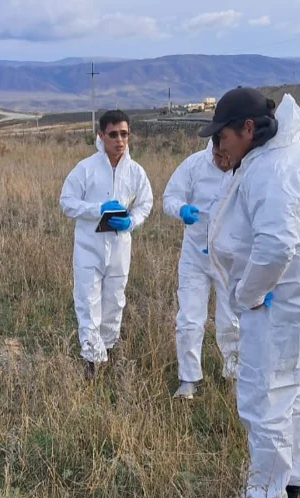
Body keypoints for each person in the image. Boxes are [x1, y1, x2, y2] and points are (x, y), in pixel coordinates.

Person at [201, 87, 300, 498]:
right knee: (288, 388)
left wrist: (248, 294)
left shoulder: (275, 169)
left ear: (247, 128)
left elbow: (276, 245)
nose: (216, 146)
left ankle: (266, 491)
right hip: (297, 296)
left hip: (280, 303)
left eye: (220, 137)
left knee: (264, 401)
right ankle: (293, 480)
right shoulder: (271, 158)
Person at [59, 110, 154, 378]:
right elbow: (66, 202)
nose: (119, 140)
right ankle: (91, 361)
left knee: (115, 302)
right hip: (89, 249)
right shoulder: (86, 169)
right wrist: (97, 208)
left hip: (120, 249)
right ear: (101, 136)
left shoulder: (135, 172)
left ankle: (108, 353)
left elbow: (146, 203)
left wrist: (131, 221)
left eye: (124, 134)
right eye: (113, 134)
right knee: (88, 302)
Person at [162, 135, 239, 399]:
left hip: (230, 258)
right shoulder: (194, 165)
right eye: (218, 157)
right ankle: (188, 380)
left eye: (227, 158)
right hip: (195, 255)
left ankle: (234, 375)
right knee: (189, 319)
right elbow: (169, 197)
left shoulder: (246, 166)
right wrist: (181, 209)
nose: (223, 162)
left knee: (232, 320)